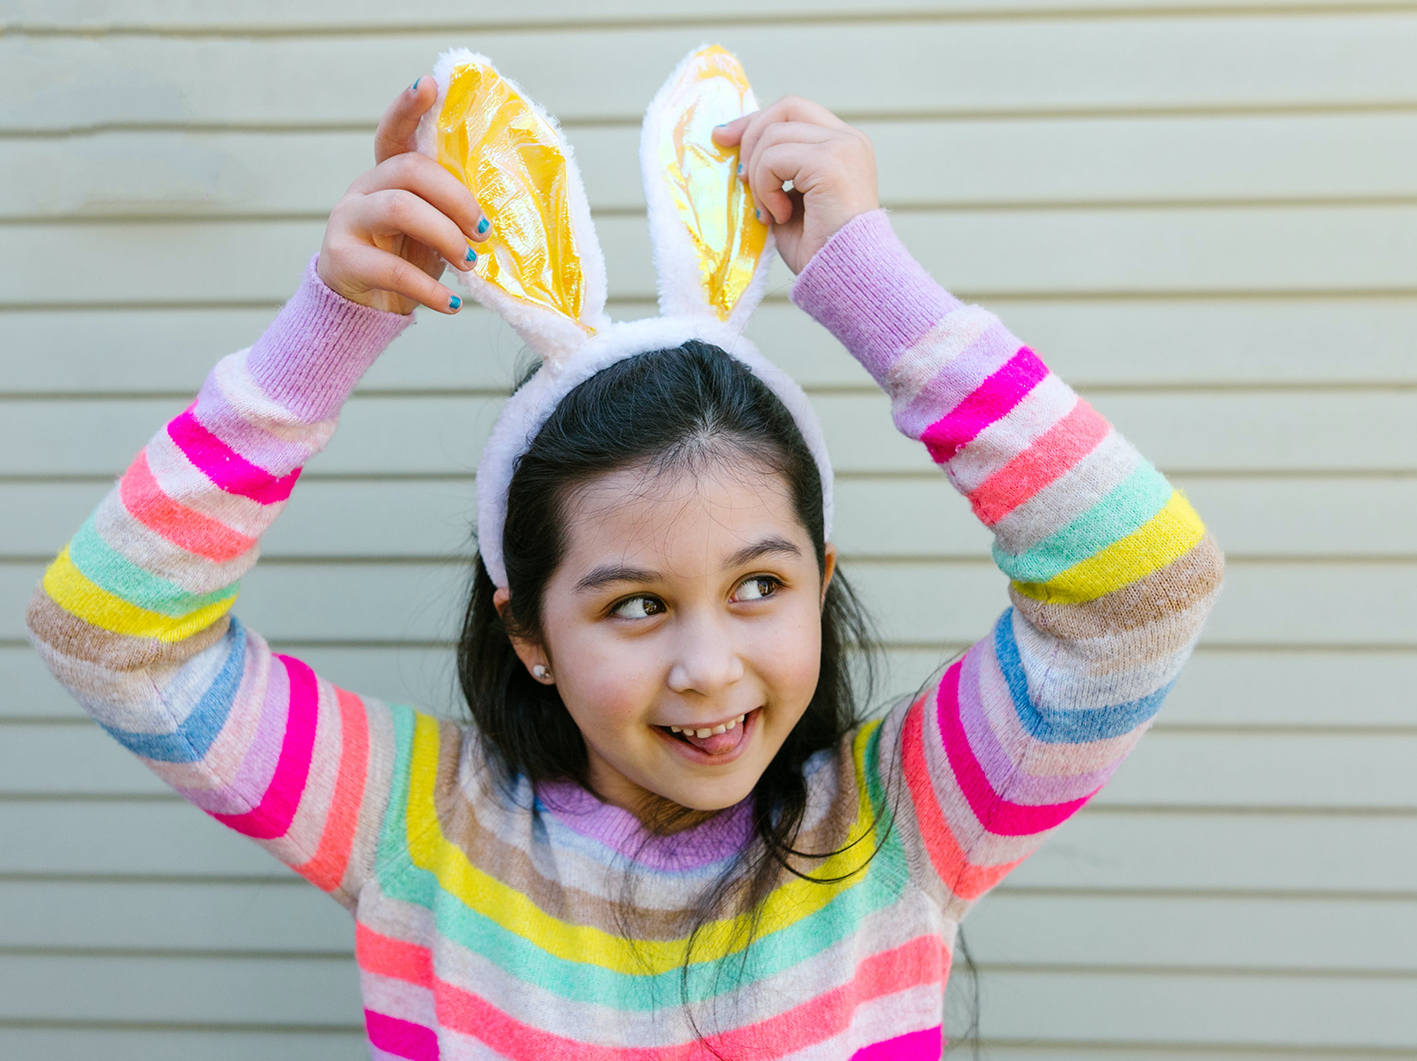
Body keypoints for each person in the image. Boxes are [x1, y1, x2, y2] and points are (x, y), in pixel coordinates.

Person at [26, 58, 1224, 1060]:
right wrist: (325, 330)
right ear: (528, 632)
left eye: (761, 583)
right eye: (637, 604)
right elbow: (111, 634)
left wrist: (868, 283)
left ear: (823, 573)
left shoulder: (905, 821)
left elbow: (1141, 586)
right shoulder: (417, 826)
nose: (709, 667)